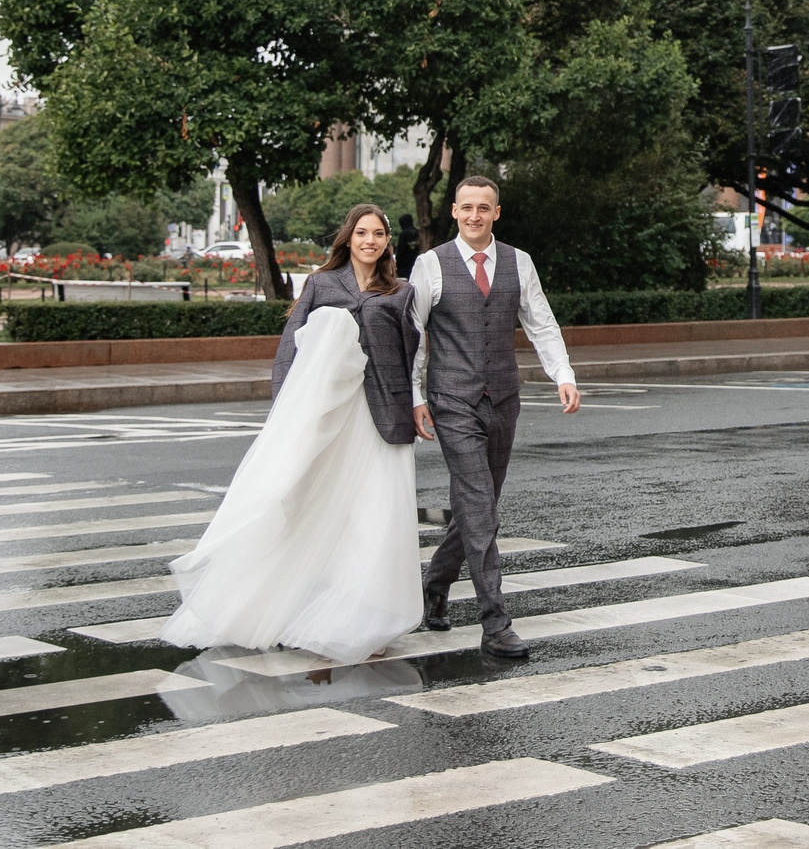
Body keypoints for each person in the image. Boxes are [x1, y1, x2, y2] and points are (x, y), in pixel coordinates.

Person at [161, 203, 425, 662]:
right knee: (310, 508)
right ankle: (295, 607)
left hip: (381, 416)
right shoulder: (322, 284)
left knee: (376, 516)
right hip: (326, 418)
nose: (370, 241)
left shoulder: (401, 292)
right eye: (362, 233)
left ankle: (368, 621)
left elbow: (413, 356)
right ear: (348, 238)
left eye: (378, 234)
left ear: (387, 242)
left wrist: (418, 404)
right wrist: (288, 412)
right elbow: (291, 347)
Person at [409, 175, 580, 659]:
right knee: (480, 505)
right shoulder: (431, 264)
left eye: (483, 207)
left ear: (496, 213)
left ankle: (435, 585)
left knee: (477, 507)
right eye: (466, 207)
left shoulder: (519, 262)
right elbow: (414, 334)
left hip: (503, 397)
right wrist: (416, 398)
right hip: (452, 399)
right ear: (455, 212)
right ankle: (495, 622)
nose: (474, 215)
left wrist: (562, 375)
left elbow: (541, 322)